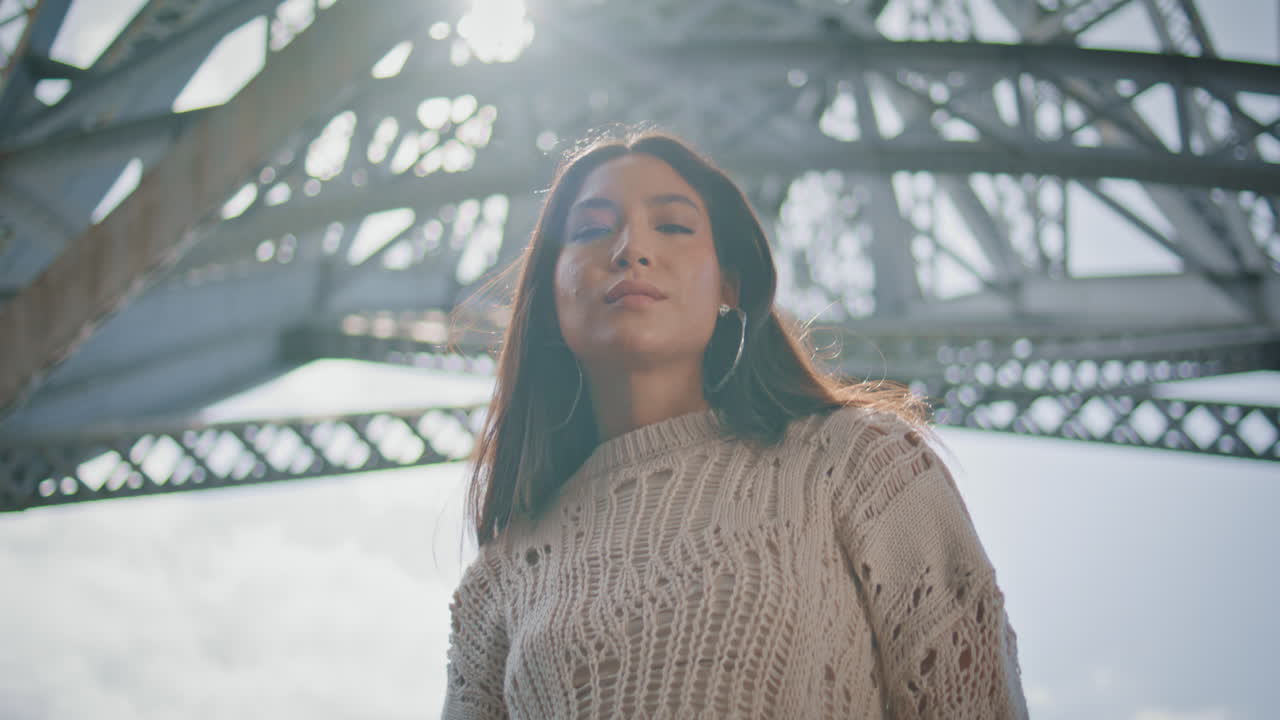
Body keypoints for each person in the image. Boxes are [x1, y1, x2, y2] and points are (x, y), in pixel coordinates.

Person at [442, 127, 1027, 719]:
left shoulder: (857, 464)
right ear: (548, 298)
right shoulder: (498, 580)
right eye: (592, 230)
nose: (630, 249)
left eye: (672, 226)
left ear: (730, 283)